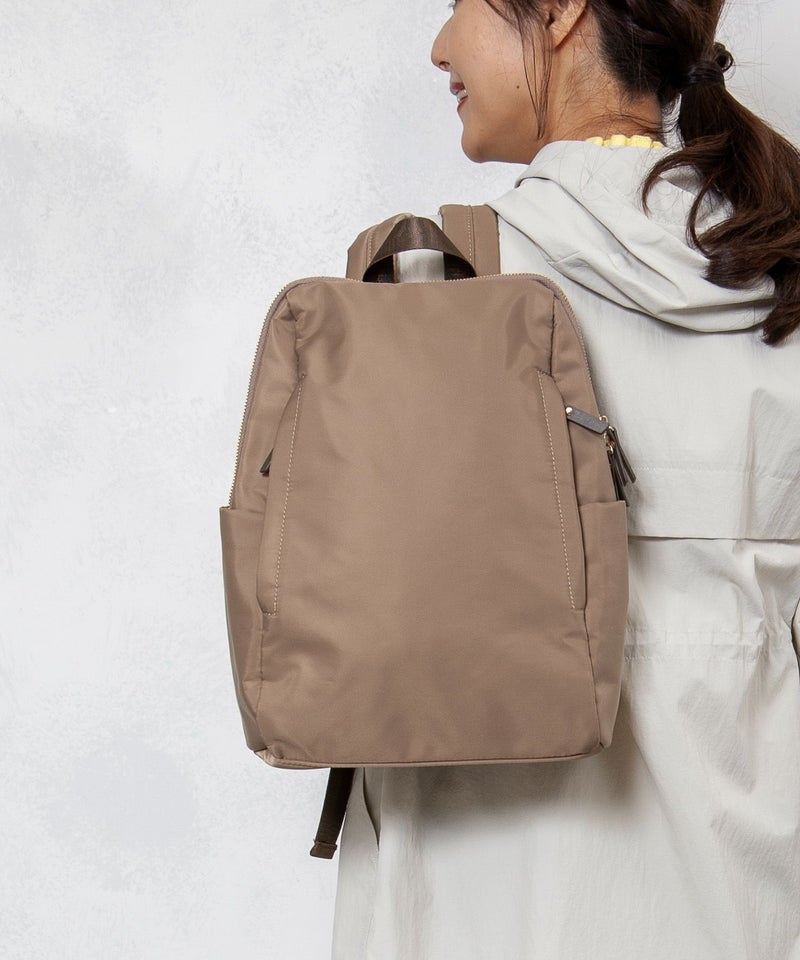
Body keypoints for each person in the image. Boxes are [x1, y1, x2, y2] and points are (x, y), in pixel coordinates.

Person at [330, 1, 800, 958]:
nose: (440, 45)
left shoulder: (433, 288)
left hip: (475, 908)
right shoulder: (782, 279)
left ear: (559, 12)